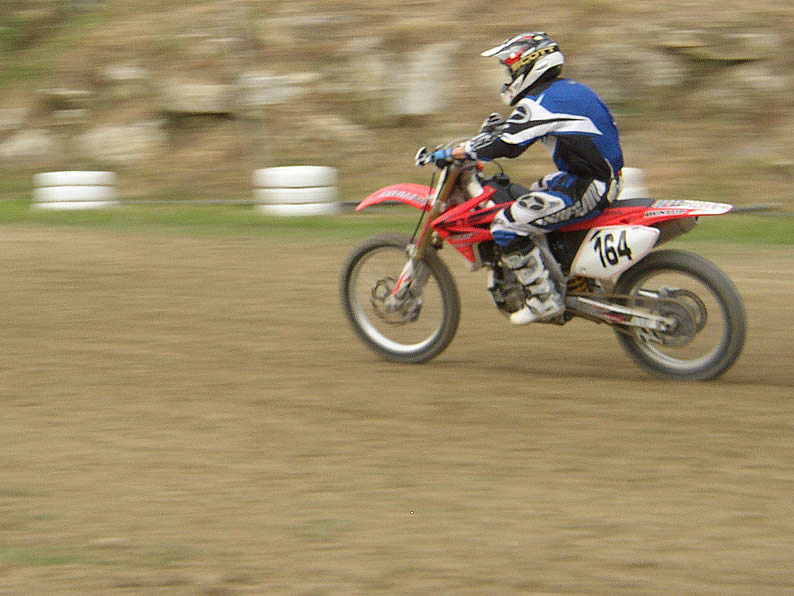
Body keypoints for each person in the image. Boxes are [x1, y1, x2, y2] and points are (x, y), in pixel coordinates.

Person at [432, 32, 624, 325]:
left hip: (587, 187)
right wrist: (493, 134)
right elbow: (518, 134)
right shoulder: (566, 90)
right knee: (532, 193)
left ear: (528, 65)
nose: (509, 77)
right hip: (595, 178)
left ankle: (544, 300)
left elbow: (508, 144)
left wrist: (455, 152)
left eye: (511, 69)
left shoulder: (541, 102)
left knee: (505, 224)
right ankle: (570, 275)